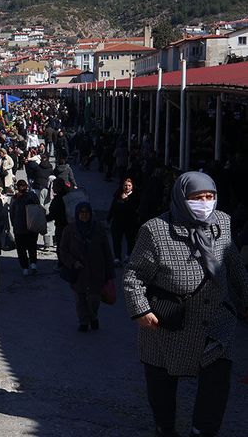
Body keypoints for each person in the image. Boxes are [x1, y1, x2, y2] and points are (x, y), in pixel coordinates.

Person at [123, 172, 248, 437]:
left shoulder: (222, 222)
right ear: (182, 198)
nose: (205, 202)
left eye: (210, 196)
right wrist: (140, 309)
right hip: (167, 325)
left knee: (216, 386)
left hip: (216, 322)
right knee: (162, 389)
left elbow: (234, 265)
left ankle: (202, 431)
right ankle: (165, 429)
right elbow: (134, 275)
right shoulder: (155, 230)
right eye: (197, 197)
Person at [59, 202, 115, 332]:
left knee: (94, 298)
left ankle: (93, 316)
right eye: (81, 213)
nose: (84, 215)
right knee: (81, 298)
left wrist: (110, 272)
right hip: (79, 272)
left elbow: (106, 250)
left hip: (96, 270)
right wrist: (73, 262)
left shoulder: (98, 229)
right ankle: (84, 321)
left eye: (86, 213)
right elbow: (63, 250)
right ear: (77, 214)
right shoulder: (70, 230)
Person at [10, 180, 40, 276]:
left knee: (21, 249)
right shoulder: (33, 196)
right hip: (32, 226)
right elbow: (38, 208)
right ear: (26, 186)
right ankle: (33, 264)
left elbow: (12, 213)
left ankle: (25, 268)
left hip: (19, 228)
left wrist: (13, 224)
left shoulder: (14, 199)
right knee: (32, 246)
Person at [107, 177, 140, 264]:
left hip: (130, 222)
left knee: (130, 240)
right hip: (117, 222)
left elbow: (135, 209)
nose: (127, 187)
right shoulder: (118, 194)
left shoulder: (135, 196)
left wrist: (125, 199)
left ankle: (128, 255)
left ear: (132, 186)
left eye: (129, 185)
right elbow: (113, 207)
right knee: (116, 240)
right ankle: (117, 258)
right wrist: (108, 218)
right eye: (125, 185)